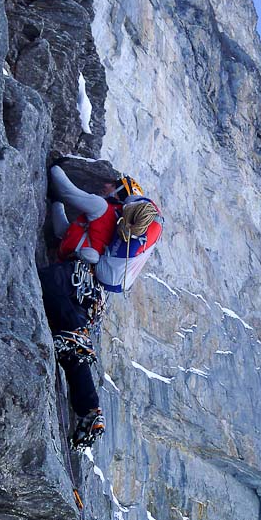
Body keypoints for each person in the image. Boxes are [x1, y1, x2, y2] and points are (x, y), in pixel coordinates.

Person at [39, 165, 163, 450]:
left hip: (72, 279)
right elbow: (62, 232)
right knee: (72, 350)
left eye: (112, 185)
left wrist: (54, 165)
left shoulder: (101, 207)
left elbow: (65, 187)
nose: (105, 187)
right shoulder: (107, 228)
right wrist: (55, 205)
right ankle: (89, 410)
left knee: (47, 287)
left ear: (120, 192)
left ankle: (89, 409)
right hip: (87, 292)